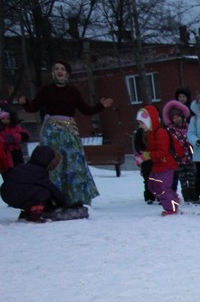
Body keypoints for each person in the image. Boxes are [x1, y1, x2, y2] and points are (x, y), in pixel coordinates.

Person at [17, 60, 113, 205]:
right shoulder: (46, 90)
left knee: (74, 163)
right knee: (54, 163)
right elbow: (33, 107)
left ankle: (76, 197)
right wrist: (25, 103)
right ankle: (52, 197)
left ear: (67, 73)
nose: (59, 71)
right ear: (53, 73)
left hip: (69, 132)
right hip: (52, 133)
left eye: (62, 69)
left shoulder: (73, 92)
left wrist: (100, 105)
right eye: (56, 69)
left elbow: (86, 110)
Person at [1, 145, 88, 222]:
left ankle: (27, 213)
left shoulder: (24, 166)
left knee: (33, 193)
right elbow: (52, 189)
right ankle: (34, 216)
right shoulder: (39, 171)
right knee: (44, 192)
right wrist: (63, 202)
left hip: (6, 194)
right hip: (16, 194)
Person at [136, 106, 180, 216]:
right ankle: (173, 200)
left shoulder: (160, 132)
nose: (140, 126)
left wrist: (146, 156)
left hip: (166, 164)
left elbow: (162, 151)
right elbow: (152, 149)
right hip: (157, 164)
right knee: (152, 185)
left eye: (142, 123)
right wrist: (142, 156)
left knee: (162, 187)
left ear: (149, 121)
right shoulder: (150, 134)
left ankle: (171, 208)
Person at [162, 99, 197, 203]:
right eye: (174, 118)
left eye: (178, 117)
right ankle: (186, 195)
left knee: (191, 175)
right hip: (178, 157)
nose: (176, 119)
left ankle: (193, 194)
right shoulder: (170, 130)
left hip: (190, 155)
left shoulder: (188, 127)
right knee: (182, 177)